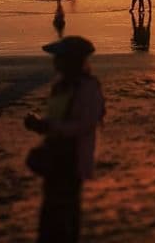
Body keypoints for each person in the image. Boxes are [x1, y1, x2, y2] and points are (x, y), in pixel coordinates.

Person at [24, 36, 105, 243]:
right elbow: (58, 119)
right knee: (51, 213)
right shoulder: (60, 85)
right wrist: (41, 124)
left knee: (65, 216)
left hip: (73, 159)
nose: (55, 62)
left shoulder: (88, 88)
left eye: (60, 58)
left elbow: (84, 125)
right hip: (57, 157)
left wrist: (49, 126)